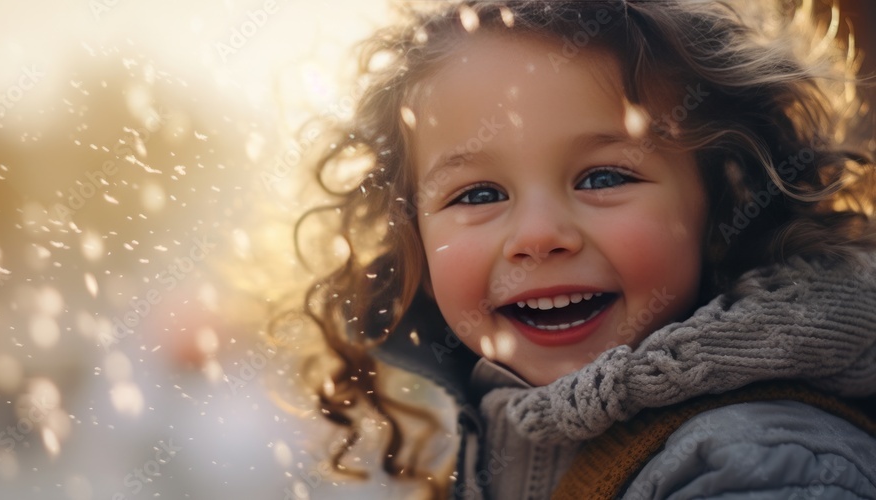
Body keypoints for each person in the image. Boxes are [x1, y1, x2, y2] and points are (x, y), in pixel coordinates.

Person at [284, 1, 876, 498]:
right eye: (480, 193)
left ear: (721, 199)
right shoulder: (489, 435)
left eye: (603, 178)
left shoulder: (755, 467)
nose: (539, 236)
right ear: (414, 235)